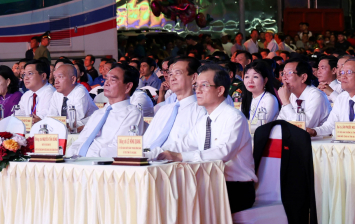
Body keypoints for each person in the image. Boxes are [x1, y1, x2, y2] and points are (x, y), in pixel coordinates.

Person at [157, 64, 257, 213]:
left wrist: (179, 157)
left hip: (235, 187)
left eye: (204, 85)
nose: (197, 90)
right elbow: (183, 144)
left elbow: (223, 153)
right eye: (196, 85)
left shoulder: (234, 117)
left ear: (220, 90)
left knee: (183, 204)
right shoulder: (205, 120)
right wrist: (152, 154)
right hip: (211, 183)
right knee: (168, 196)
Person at [65, 64, 144, 158]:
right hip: (78, 162)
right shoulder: (98, 113)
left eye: (113, 80)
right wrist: (71, 155)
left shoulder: (132, 114)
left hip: (101, 165)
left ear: (128, 87)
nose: (106, 83)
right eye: (106, 79)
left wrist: (86, 156)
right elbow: (80, 140)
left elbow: (120, 149)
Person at [307, 59, 355, 138]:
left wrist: (334, 131)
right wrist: (314, 131)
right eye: (342, 72)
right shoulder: (342, 97)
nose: (343, 76)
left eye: (349, 73)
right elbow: (329, 125)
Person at [143, 57, 206, 152]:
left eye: (178, 73)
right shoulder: (164, 109)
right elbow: (146, 140)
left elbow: (194, 145)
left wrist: (159, 153)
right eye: (170, 74)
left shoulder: (201, 110)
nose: (172, 78)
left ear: (194, 78)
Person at [277, 59, 331, 128]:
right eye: (283, 73)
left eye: (289, 73)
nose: (284, 78)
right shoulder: (290, 94)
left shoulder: (316, 95)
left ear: (303, 77)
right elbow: (279, 122)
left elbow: (303, 127)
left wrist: (286, 102)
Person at [43, 63, 98, 129]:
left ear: (73, 79)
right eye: (55, 77)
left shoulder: (80, 91)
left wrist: (56, 123)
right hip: (66, 130)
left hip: (87, 130)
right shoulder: (56, 94)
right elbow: (51, 116)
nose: (56, 81)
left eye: (60, 77)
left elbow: (75, 121)